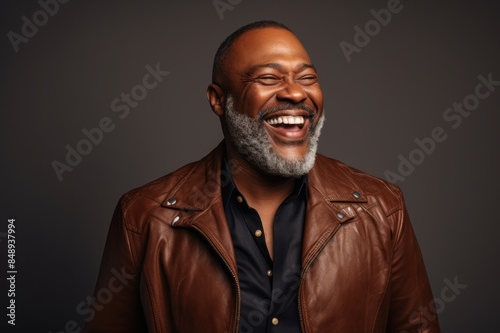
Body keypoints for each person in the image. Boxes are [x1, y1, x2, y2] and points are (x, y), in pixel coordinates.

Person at [84, 20, 440, 333]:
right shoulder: (145, 215)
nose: (296, 92)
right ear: (218, 100)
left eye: (308, 78)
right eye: (269, 78)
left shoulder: (381, 207)